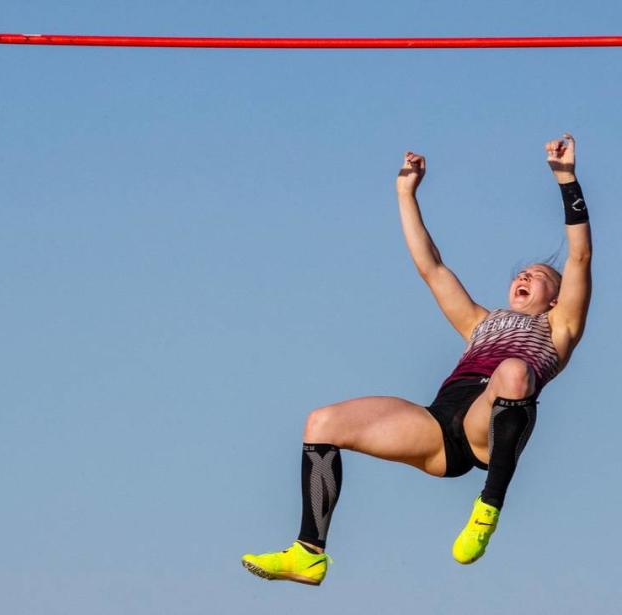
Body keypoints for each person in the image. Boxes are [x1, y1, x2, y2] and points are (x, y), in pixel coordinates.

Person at [241, 134, 592, 585]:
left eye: (539, 276)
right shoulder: (478, 322)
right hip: (439, 424)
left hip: (487, 425)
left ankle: (488, 508)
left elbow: (580, 255)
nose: (525, 275)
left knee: (513, 371)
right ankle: (308, 553)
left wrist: (567, 178)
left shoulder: (559, 327)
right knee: (322, 423)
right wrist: (406, 194)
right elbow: (433, 268)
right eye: (522, 273)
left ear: (555, 299)